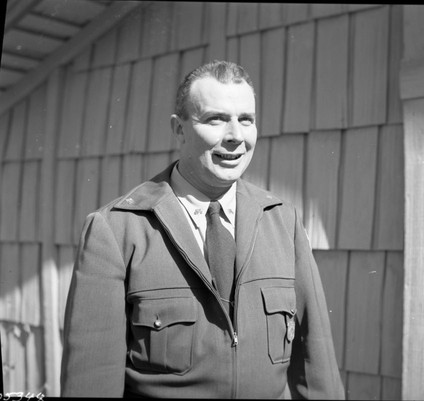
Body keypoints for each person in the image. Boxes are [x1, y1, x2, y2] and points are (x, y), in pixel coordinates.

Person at [60, 60, 345, 399]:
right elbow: (91, 383)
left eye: (246, 120)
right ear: (179, 129)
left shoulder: (283, 222)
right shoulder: (117, 230)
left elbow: (318, 371)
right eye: (216, 119)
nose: (236, 137)